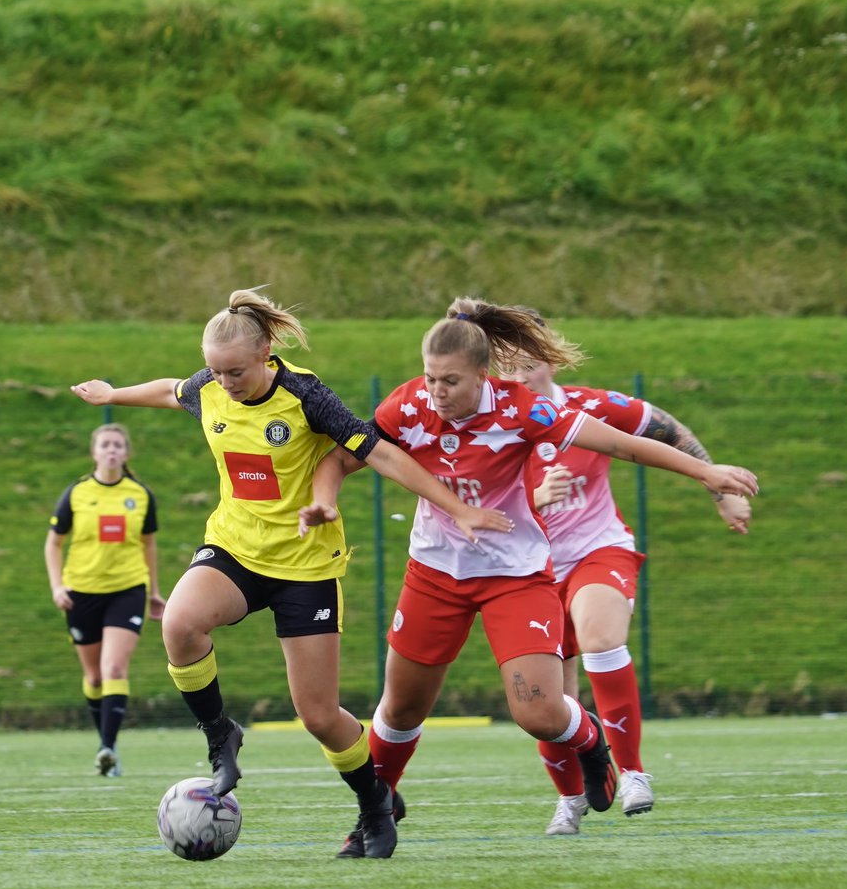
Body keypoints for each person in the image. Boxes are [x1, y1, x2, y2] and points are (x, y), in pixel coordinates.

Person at [302, 297, 758, 857]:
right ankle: (374, 815)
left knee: (539, 713)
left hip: (514, 576)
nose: (436, 392)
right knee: (399, 709)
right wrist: (324, 500)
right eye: (430, 377)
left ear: (482, 375)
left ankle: (590, 742)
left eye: (450, 381)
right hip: (435, 574)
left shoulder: (522, 410)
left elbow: (620, 443)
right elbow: (341, 457)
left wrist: (706, 473)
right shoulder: (408, 406)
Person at [69, 287, 513, 859]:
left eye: (235, 372)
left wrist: (457, 508)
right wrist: (113, 394)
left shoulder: (305, 395)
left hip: (304, 565)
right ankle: (220, 735)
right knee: (179, 624)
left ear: (265, 355)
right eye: (215, 371)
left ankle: (376, 804)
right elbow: (171, 390)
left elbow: (378, 452)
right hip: (234, 549)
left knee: (320, 717)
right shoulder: (209, 387)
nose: (224, 382)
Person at [504, 357, 752, 836]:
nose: (518, 376)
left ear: (550, 362)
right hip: (531, 570)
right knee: (548, 702)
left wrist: (718, 489)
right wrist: (534, 498)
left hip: (599, 551)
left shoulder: (591, 407)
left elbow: (667, 429)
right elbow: (467, 508)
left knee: (601, 639)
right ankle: (570, 799)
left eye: (527, 364)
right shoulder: (491, 424)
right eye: (505, 367)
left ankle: (634, 773)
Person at [44, 422, 166, 778]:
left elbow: (149, 545)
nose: (111, 450)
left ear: (126, 453)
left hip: (127, 589)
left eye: (117, 445)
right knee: (95, 677)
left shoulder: (140, 495)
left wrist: (153, 591)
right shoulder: (77, 493)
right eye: (105, 445)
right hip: (81, 591)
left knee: (114, 669)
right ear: (94, 452)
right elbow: (53, 543)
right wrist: (57, 587)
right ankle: (106, 747)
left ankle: (108, 748)